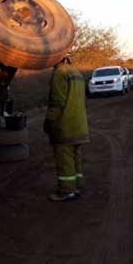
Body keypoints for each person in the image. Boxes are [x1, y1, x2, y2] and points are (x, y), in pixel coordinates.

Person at [43, 55, 90, 202]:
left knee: (65, 161)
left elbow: (57, 103)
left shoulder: (60, 73)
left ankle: (66, 191)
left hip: (65, 126)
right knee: (75, 156)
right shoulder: (76, 72)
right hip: (79, 125)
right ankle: (77, 186)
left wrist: (49, 122)